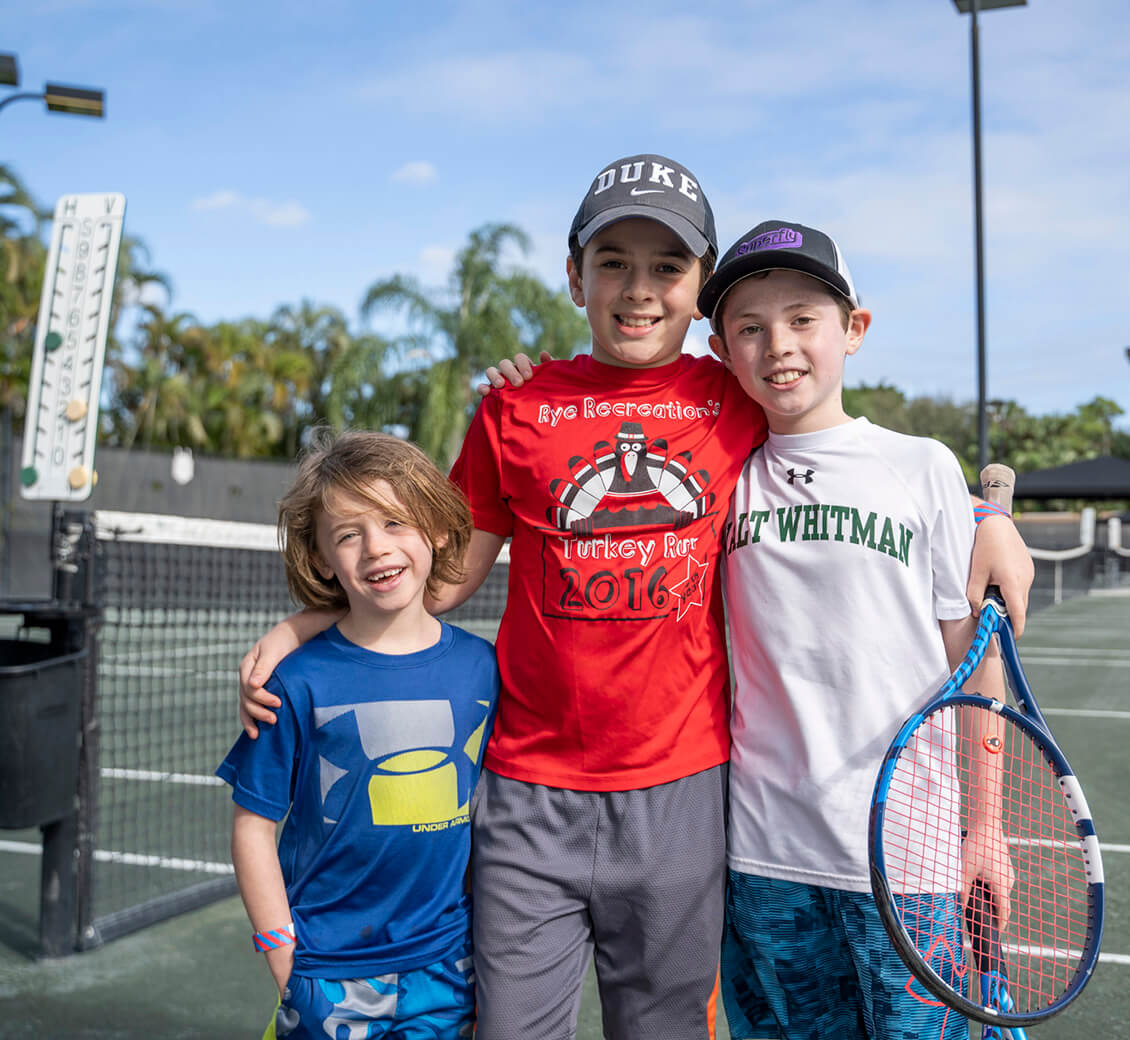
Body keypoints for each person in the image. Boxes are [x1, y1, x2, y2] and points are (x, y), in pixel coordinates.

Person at [236, 155, 1032, 1040]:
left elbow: (851, 455)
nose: (639, 288)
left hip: (685, 793)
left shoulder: (731, 394)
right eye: (613, 261)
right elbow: (443, 578)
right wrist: (310, 620)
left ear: (700, 297)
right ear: (574, 277)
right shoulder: (514, 407)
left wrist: (982, 516)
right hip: (525, 791)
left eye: (668, 266)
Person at [698, 219, 1012, 1040]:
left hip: (910, 861)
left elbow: (972, 666)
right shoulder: (716, 474)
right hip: (762, 861)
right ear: (721, 347)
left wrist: (986, 831)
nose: (779, 346)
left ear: (854, 329)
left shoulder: (922, 466)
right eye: (751, 328)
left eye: (803, 318)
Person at [216, 429, 498, 1040]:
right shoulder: (293, 681)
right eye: (349, 533)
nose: (377, 548)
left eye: (396, 521)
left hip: (448, 967)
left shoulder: (484, 667)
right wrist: (282, 956)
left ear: (440, 529)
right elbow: (252, 827)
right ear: (321, 558)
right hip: (325, 972)